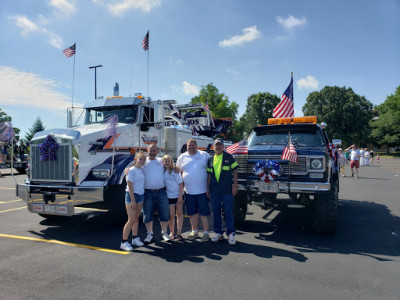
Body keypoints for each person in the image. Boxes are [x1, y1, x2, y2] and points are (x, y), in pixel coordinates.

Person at [176, 139, 211, 241]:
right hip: (189, 191)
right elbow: (177, 172)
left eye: (193, 145)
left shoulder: (204, 155)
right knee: (192, 213)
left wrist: (209, 188)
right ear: (186, 147)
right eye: (189, 145)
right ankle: (194, 231)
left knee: (204, 213)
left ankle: (206, 233)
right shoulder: (182, 157)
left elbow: (210, 172)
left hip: (203, 190)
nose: (191, 147)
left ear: (196, 146)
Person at [207, 138, 239, 245]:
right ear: (213, 146)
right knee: (216, 213)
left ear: (223, 146)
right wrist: (208, 188)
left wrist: (235, 186)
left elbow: (234, 172)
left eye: (220, 145)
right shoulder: (210, 159)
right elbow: (209, 175)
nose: (218, 147)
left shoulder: (228, 157)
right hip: (215, 190)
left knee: (228, 212)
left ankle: (230, 234)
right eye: (216, 145)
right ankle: (218, 233)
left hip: (226, 190)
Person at [142, 144, 171, 243]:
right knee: (148, 214)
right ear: (147, 150)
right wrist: (126, 169)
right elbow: (134, 167)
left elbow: (171, 166)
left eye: (154, 150)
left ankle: (164, 233)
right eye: (151, 150)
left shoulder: (161, 161)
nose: (153, 151)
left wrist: (176, 169)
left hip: (161, 192)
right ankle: (149, 233)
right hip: (148, 192)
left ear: (158, 151)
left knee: (164, 213)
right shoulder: (143, 161)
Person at [120, 152, 146, 252]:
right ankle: (124, 242)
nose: (142, 161)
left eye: (144, 159)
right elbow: (130, 186)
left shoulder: (142, 170)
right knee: (131, 219)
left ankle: (135, 238)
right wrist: (133, 200)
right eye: (140, 159)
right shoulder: (131, 170)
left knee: (136, 219)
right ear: (135, 159)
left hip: (141, 195)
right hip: (132, 196)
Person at [162, 155, 184, 241]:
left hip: (177, 195)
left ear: (171, 162)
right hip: (169, 196)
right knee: (171, 216)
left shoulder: (175, 171)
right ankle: (172, 232)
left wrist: (180, 196)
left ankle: (179, 233)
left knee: (179, 214)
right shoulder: (162, 171)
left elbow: (180, 184)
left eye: (168, 161)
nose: (167, 163)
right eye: (165, 161)